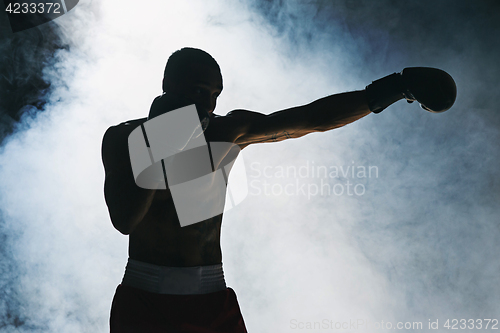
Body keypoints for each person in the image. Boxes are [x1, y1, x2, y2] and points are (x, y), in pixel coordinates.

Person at [101, 47, 456, 332]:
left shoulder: (226, 131)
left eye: (214, 95)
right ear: (167, 83)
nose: (208, 105)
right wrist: (161, 138)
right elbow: (125, 219)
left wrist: (391, 89)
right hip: (145, 298)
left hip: (211, 296)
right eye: (198, 91)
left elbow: (307, 120)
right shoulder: (123, 138)